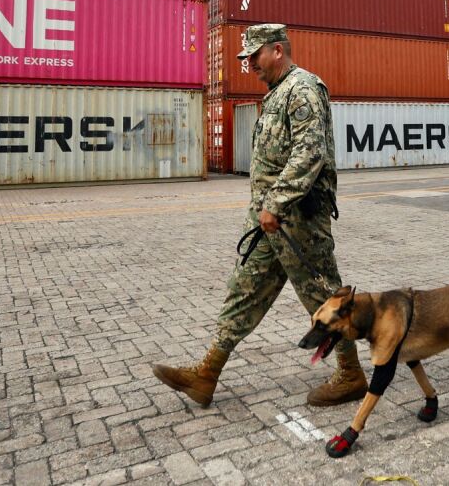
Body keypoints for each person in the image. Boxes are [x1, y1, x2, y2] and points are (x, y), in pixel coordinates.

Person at [152, 24, 367, 407]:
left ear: (278, 51)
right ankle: (207, 374)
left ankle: (351, 376)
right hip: (269, 223)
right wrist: (266, 211)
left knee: (323, 297)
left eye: (254, 55)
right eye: (247, 57)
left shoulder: (303, 90)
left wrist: (277, 203)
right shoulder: (274, 95)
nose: (249, 63)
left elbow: (309, 153)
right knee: (244, 291)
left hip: (298, 220)